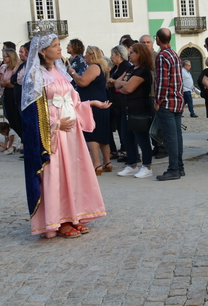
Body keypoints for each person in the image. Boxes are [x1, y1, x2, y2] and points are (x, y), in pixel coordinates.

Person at [20, 33, 110, 239]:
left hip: (72, 134)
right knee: (57, 175)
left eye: (59, 45)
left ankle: (74, 216)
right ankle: (58, 220)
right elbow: (30, 113)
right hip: (53, 134)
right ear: (43, 52)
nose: (60, 49)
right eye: (54, 46)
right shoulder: (35, 75)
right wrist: (55, 124)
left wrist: (90, 104)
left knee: (74, 173)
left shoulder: (61, 72)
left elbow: (72, 100)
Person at [114, 43, 156, 178]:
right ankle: (132, 164)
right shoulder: (131, 69)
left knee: (142, 139)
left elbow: (128, 89)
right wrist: (122, 84)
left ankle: (147, 166)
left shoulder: (143, 70)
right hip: (127, 108)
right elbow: (116, 83)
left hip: (139, 109)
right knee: (127, 138)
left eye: (132, 52)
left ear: (139, 54)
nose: (129, 54)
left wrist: (122, 85)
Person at [69, 45, 112, 174]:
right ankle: (107, 162)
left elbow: (83, 82)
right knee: (103, 133)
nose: (84, 56)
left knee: (92, 133)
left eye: (86, 54)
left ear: (92, 55)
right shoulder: (102, 67)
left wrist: (72, 73)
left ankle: (97, 164)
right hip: (101, 102)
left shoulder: (94, 67)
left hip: (94, 105)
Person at [153, 28, 185, 180]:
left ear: (158, 39)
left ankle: (173, 169)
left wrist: (158, 100)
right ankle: (179, 167)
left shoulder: (162, 56)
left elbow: (162, 82)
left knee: (170, 137)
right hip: (177, 99)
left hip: (167, 101)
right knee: (177, 136)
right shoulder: (174, 54)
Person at [107, 45, 132, 161]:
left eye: (112, 55)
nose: (111, 57)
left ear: (119, 55)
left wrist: (114, 82)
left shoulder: (126, 66)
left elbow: (120, 82)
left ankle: (126, 150)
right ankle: (123, 149)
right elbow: (109, 82)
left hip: (122, 100)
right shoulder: (114, 68)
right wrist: (112, 82)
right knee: (119, 127)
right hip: (114, 101)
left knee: (124, 127)